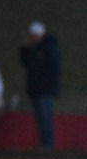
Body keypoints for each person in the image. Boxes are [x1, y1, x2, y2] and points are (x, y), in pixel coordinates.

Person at [20, 21, 61, 150]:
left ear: (38, 35)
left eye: (31, 35)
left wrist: (46, 83)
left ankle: (48, 145)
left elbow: (54, 68)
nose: (29, 38)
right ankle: (44, 144)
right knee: (40, 119)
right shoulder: (33, 49)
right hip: (35, 89)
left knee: (45, 118)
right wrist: (24, 49)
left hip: (45, 90)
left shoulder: (49, 48)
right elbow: (25, 63)